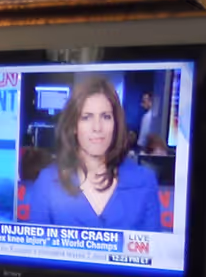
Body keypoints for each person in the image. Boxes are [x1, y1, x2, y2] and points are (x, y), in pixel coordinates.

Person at [22, 76, 162, 229]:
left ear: (116, 124)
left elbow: (153, 250)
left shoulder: (144, 181)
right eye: (87, 117)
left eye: (106, 117)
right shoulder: (47, 183)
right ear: (74, 126)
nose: (97, 127)